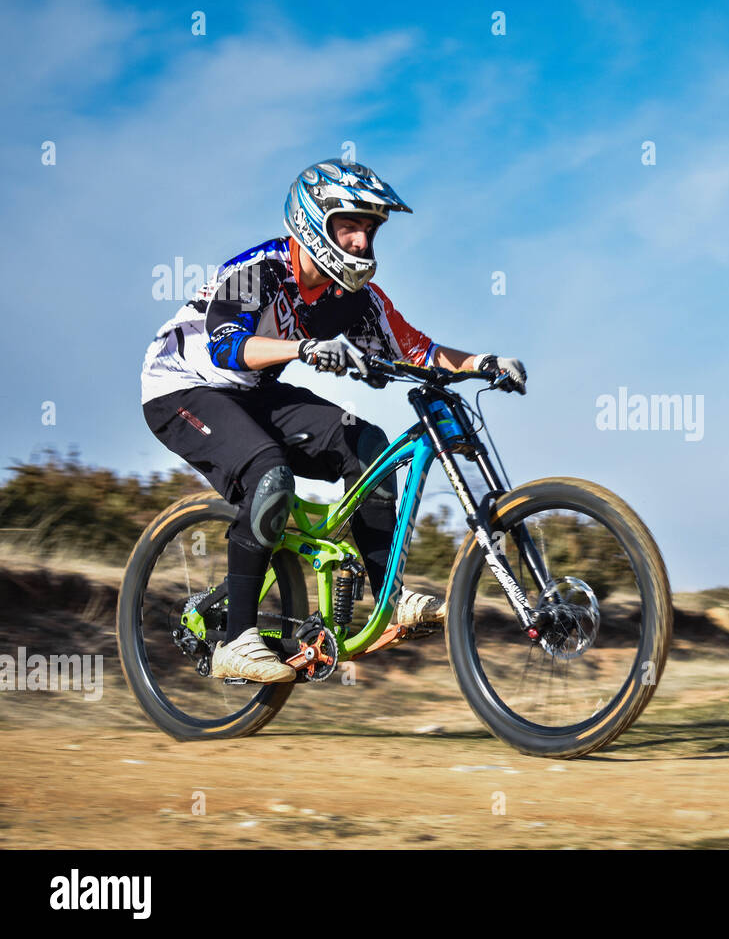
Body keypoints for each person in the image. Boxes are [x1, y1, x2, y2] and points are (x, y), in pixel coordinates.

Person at [140, 158, 526, 683]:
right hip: (182, 388)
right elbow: (227, 347)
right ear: (313, 222)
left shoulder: (356, 299)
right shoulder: (261, 271)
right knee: (269, 474)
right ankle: (235, 642)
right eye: (350, 227)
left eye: (369, 231)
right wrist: (303, 348)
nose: (363, 243)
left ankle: (388, 597)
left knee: (369, 444)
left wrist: (482, 362)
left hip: (256, 392)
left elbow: (417, 349)